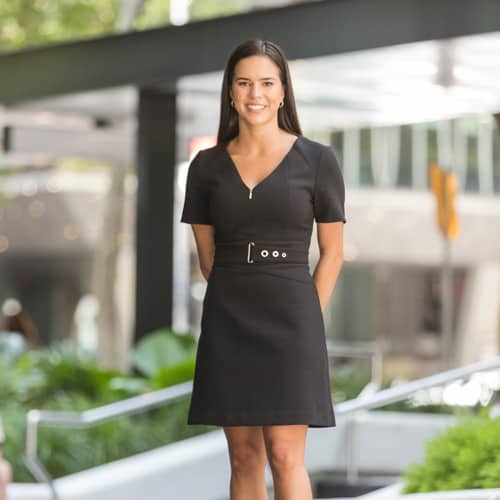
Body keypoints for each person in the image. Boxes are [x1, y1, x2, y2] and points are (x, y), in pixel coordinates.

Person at [180, 39, 346, 500]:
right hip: (229, 317)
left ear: (282, 92)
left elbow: (332, 252)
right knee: (244, 457)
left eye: (267, 83)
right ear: (230, 92)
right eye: (244, 82)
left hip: (293, 318)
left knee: (286, 454)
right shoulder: (205, 167)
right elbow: (207, 258)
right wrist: (240, 289)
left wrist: (307, 314)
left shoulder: (317, 160)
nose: (256, 93)